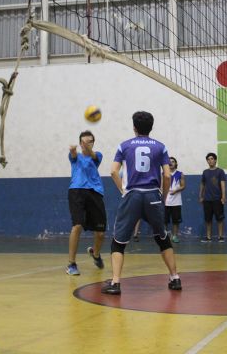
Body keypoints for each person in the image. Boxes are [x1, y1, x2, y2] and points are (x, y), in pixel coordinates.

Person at [102, 111, 181, 295]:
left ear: (134, 128)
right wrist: (163, 196)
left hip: (133, 195)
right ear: (151, 127)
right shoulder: (160, 147)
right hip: (153, 194)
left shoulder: (124, 146)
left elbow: (113, 171)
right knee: (162, 238)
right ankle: (175, 278)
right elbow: (167, 175)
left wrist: (124, 191)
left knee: (118, 242)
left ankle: (115, 283)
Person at [66, 130, 107, 276]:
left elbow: (94, 155)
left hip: (95, 193)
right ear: (79, 143)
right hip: (76, 192)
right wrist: (72, 149)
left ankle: (95, 254)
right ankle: (71, 264)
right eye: (83, 142)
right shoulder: (75, 157)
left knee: (101, 233)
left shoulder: (97, 156)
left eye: (89, 141)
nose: (86, 144)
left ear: (93, 143)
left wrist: (88, 147)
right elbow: (74, 155)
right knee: (77, 226)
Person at [199, 152, 226, 242]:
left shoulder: (220, 171)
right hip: (207, 199)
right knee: (208, 219)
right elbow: (202, 184)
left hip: (217, 199)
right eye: (208, 159)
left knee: (219, 219)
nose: (210, 161)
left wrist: (223, 197)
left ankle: (220, 237)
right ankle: (208, 237)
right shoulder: (205, 172)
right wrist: (201, 195)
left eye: (212, 159)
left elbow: (222, 184)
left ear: (215, 160)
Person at [165, 156, 186, 243]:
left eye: (173, 161)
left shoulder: (180, 174)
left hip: (176, 202)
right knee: (164, 221)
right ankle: (165, 237)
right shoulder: (164, 174)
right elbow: (161, 186)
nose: (171, 163)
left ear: (176, 163)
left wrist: (176, 190)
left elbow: (183, 186)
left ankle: (174, 236)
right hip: (165, 202)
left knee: (175, 221)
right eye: (169, 161)